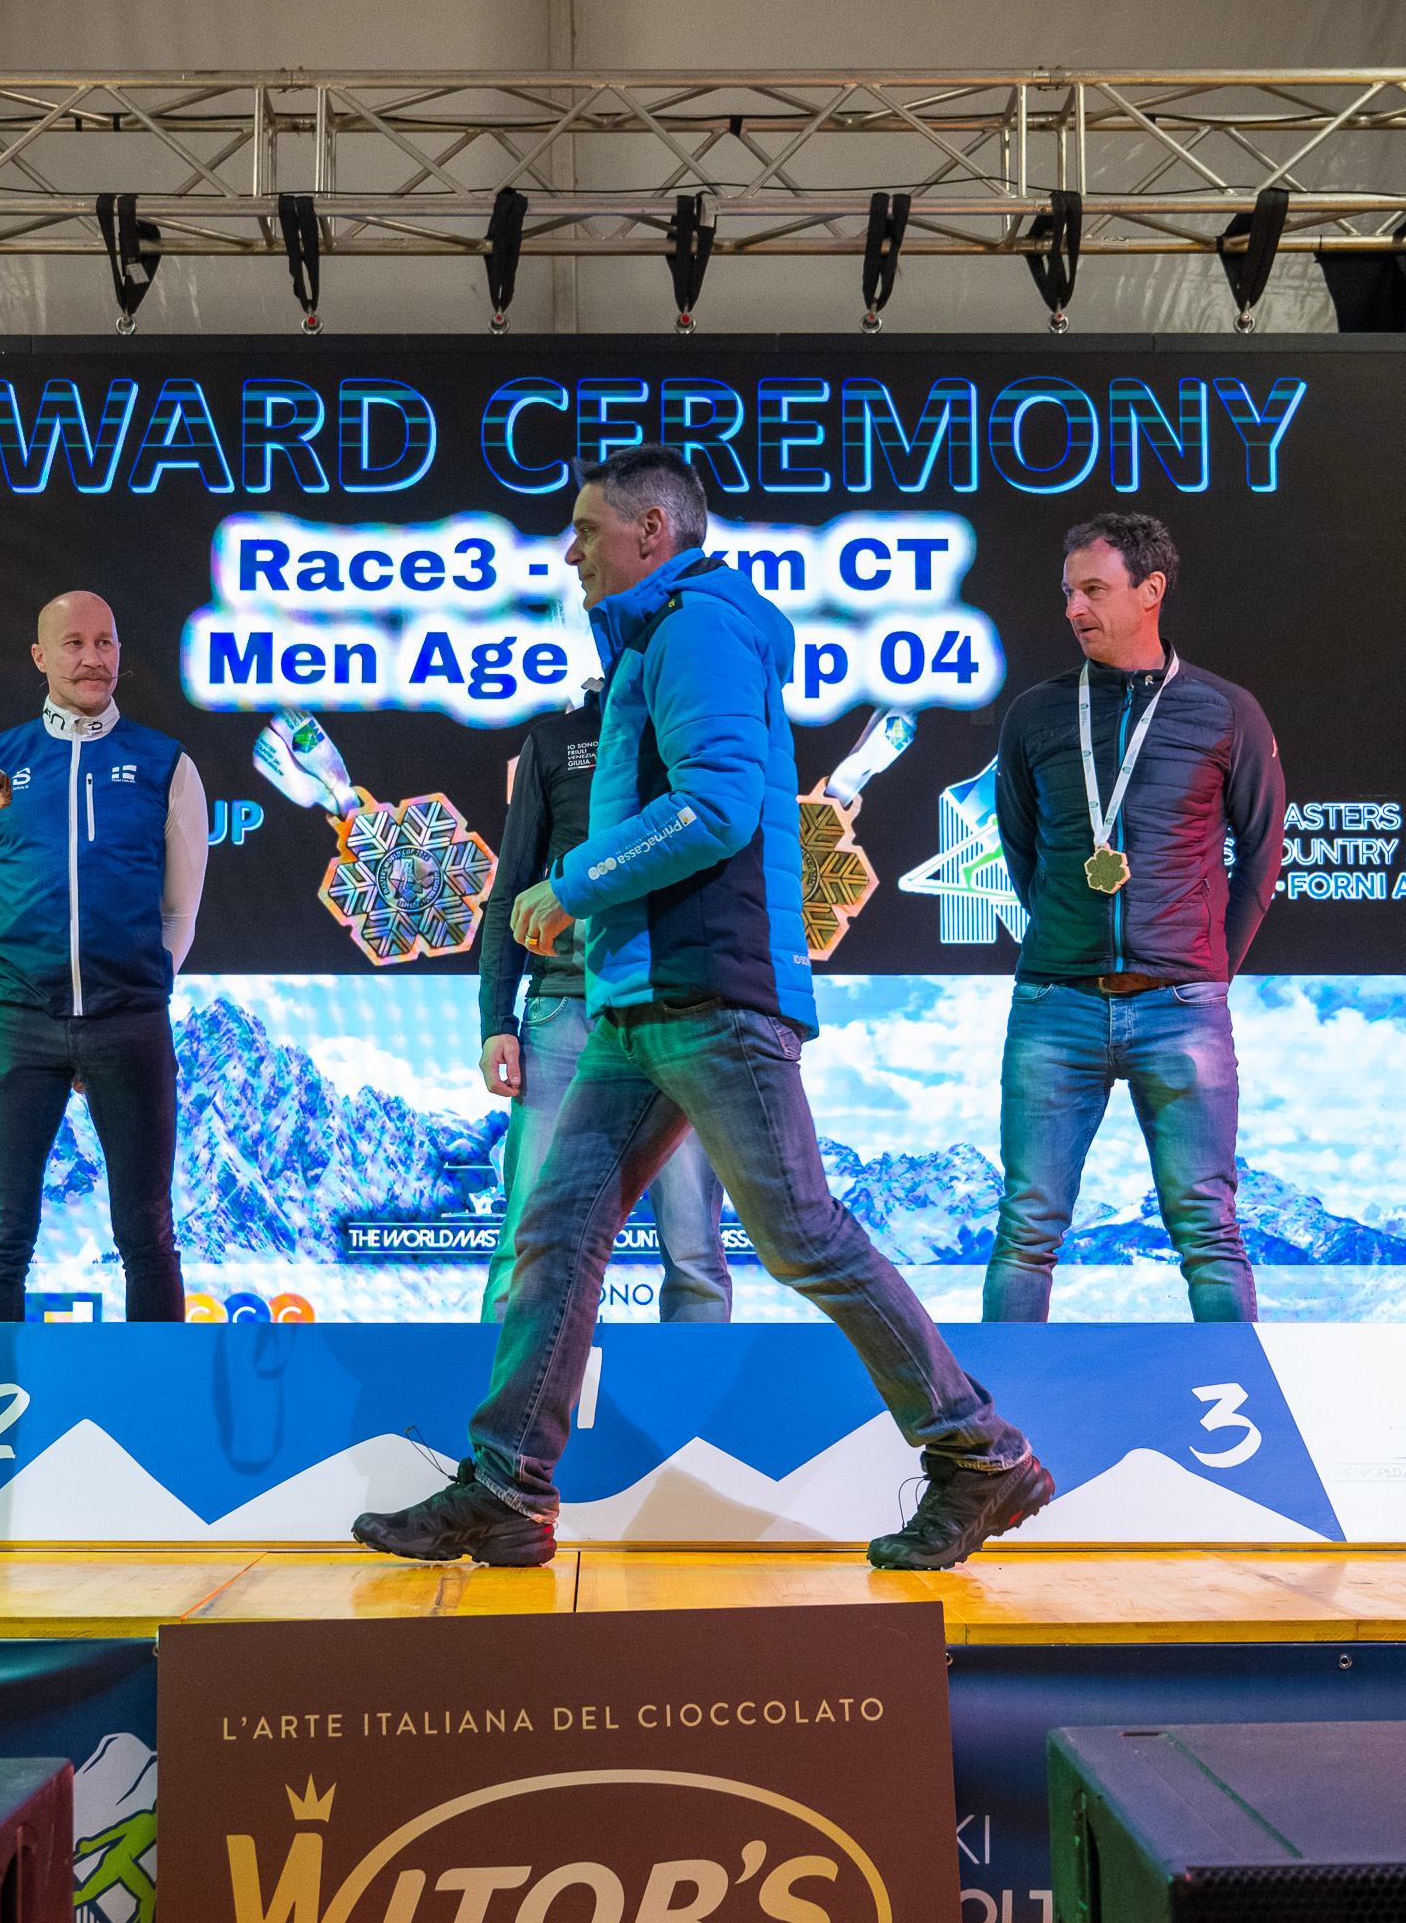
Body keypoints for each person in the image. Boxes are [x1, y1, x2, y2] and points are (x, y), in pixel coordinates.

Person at [356, 444, 1052, 1572]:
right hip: (641, 1003)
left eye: (587, 530)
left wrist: (572, 885)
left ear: (652, 532)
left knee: (800, 1233)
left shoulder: (698, 628)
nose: (569, 553)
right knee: (556, 1231)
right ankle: (509, 1487)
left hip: (712, 992)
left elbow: (718, 807)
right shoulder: (658, 636)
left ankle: (980, 1453)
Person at [982, 511, 1287, 1322]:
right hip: (1055, 1004)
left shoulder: (1225, 711)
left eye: (1093, 589)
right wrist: (1067, 935)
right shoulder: (1035, 714)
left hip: (1181, 1008)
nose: (1074, 608)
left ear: (1150, 591)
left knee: (1209, 1231)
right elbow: (1022, 850)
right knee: (1025, 1230)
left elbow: (1262, 854)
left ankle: (1242, 1402)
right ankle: (995, 1408)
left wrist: (1209, 967)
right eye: (1068, 592)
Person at [0, 590, 210, 1325]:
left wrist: (135, 991)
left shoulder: (165, 763)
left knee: (148, 1235)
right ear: (40, 657)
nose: (93, 658)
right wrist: (10, 995)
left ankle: (156, 1392)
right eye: (74, 643)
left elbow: (179, 915)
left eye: (105, 642)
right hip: (21, 1027)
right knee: (1, 1238)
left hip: (131, 1025)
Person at [476, 685, 732, 1325]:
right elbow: (512, 887)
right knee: (526, 1236)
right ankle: (504, 1390)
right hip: (566, 1005)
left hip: (678, 1009)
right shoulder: (557, 740)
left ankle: (694, 1393)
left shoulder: (701, 729)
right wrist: (495, 1022)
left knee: (694, 1247)